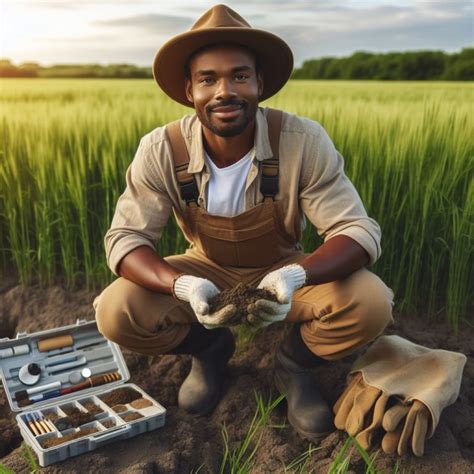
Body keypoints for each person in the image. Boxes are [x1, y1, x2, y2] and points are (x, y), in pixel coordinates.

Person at [94, 4, 394, 441]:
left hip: (283, 267)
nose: (224, 91)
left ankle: (294, 365)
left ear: (260, 83)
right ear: (188, 89)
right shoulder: (162, 149)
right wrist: (183, 286)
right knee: (116, 312)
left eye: (239, 76)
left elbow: (356, 231)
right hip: (205, 269)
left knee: (372, 302)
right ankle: (210, 351)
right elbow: (125, 240)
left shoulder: (302, 141)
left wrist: (295, 275)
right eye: (208, 79)